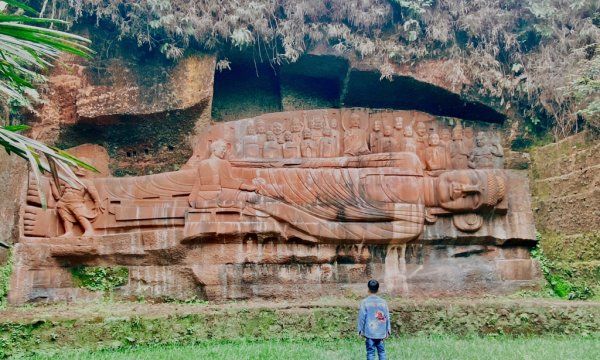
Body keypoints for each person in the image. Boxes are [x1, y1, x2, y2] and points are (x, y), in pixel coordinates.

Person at [357, 279, 391, 360]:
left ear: (368, 289)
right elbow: (387, 316)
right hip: (381, 333)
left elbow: (361, 317)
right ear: (378, 289)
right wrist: (388, 330)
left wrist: (360, 330)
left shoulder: (365, 302)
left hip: (369, 333)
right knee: (382, 352)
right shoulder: (383, 302)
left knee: (370, 353)